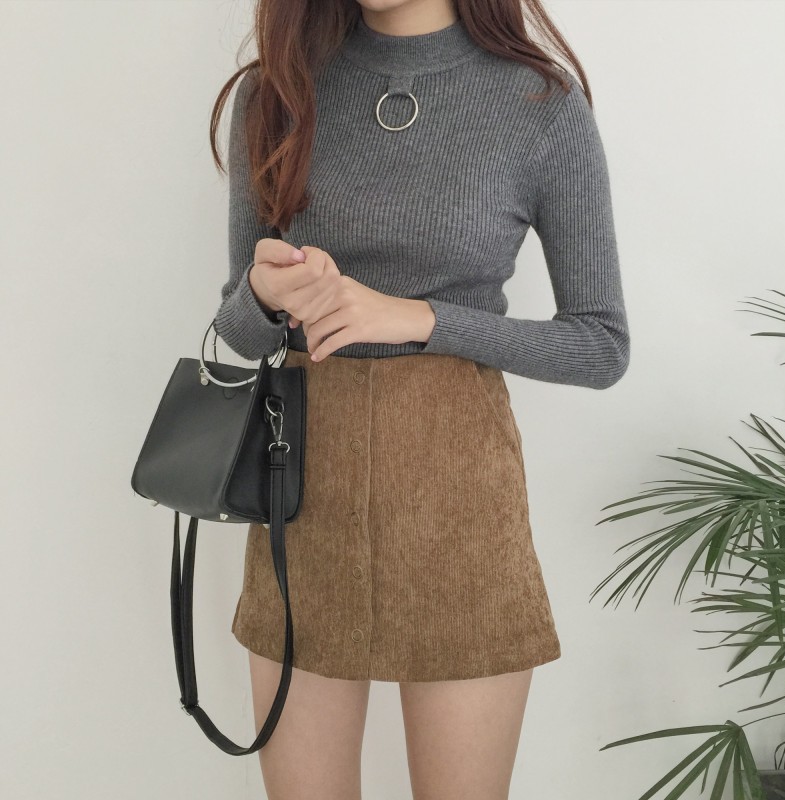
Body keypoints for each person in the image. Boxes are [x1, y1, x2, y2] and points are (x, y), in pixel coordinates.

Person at [209, 0, 630, 797]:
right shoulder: (276, 93)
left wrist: (422, 319)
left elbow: (601, 345)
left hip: (459, 507)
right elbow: (240, 328)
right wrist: (266, 296)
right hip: (301, 500)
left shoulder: (540, 104)